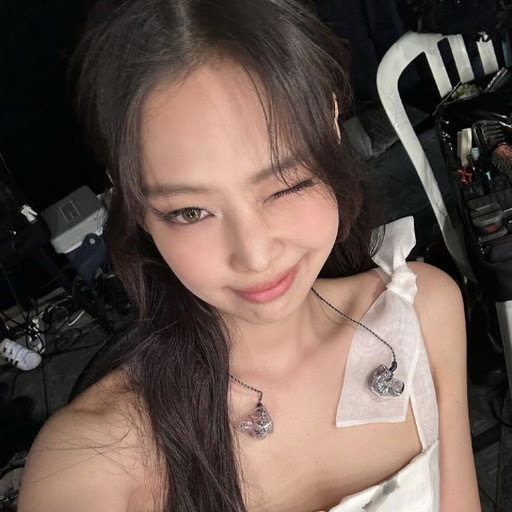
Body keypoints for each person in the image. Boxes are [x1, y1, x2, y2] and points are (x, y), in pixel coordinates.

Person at [17, 1, 481, 511]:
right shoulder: (90, 460)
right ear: (135, 203)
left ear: (330, 126)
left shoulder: (423, 313)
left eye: (285, 184)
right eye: (190, 212)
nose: (255, 257)